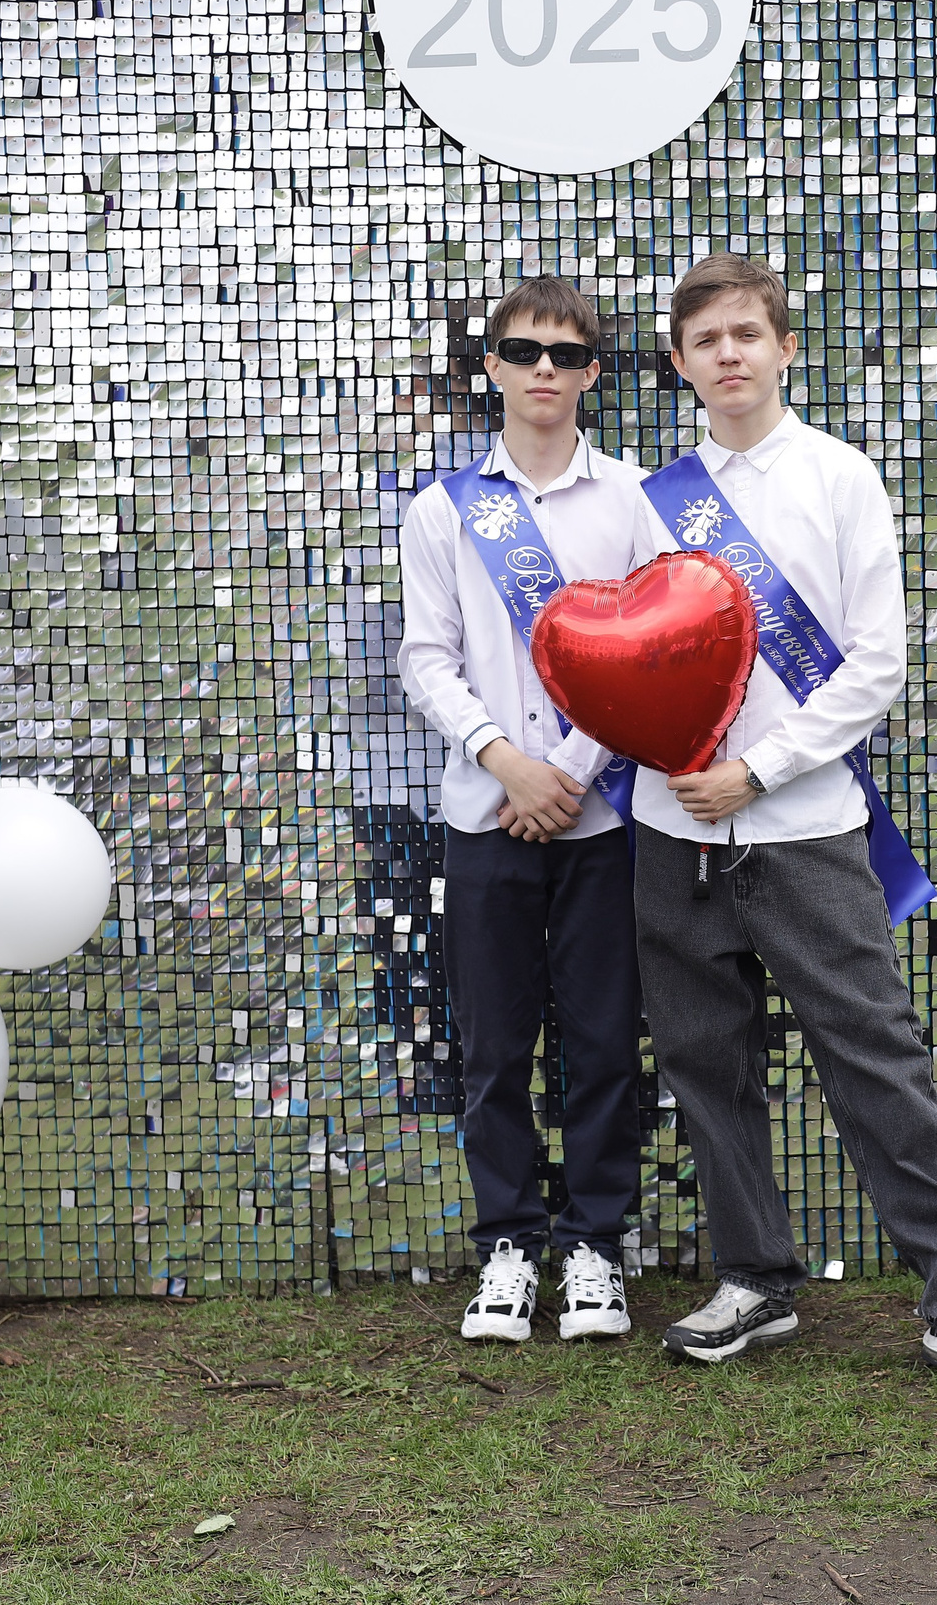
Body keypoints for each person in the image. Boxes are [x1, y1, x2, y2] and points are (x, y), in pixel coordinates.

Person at [629, 253, 937, 1401]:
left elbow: (874, 665)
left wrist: (757, 771)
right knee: (701, 1059)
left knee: (874, 1056)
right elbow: (623, 664)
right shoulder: (650, 501)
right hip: (669, 828)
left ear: (786, 349)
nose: (728, 354)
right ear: (680, 365)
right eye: (704, 340)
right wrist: (680, 773)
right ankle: (752, 1280)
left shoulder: (840, 478)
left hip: (803, 826)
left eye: (746, 333)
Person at [397, 275, 644, 1345]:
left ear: (592, 373)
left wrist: (572, 770)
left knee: (599, 1040)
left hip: (601, 816)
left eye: (567, 353)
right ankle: (507, 1244)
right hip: (484, 811)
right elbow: (426, 657)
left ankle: (593, 1248)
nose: (545, 368)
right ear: (488, 366)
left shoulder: (634, 501)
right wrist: (508, 762)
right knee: (495, 1044)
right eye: (523, 349)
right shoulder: (445, 511)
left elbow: (650, 656)